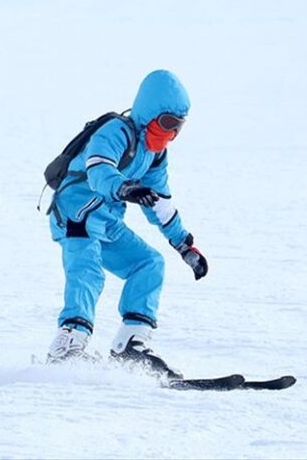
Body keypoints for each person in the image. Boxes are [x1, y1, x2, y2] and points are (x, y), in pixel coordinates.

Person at [44, 69, 207, 378]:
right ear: (150, 114)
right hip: (76, 214)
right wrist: (124, 188)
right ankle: (68, 344)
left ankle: (130, 345)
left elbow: (160, 201)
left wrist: (184, 244)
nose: (172, 133)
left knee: (149, 263)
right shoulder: (117, 131)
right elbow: (98, 167)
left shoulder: (154, 155)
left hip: (105, 221)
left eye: (179, 127)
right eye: (168, 123)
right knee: (88, 271)